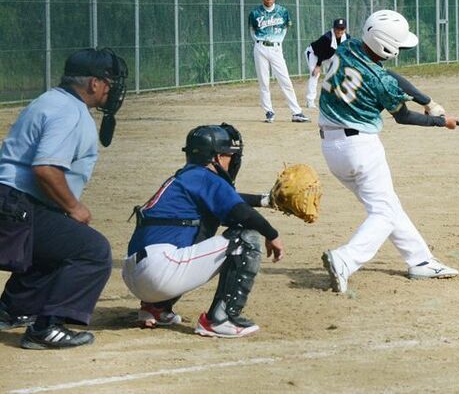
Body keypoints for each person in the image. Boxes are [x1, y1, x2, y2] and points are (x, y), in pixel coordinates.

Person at [318, 9, 459, 294]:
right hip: (360, 148)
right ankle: (345, 259)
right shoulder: (379, 83)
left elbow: (389, 74)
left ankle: (419, 260)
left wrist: (427, 100)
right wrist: (440, 122)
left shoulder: (348, 46)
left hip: (330, 147)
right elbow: (403, 116)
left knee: (387, 205)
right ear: (386, 46)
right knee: (383, 213)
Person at [0, 48, 128, 349]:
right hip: (17, 205)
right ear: (94, 84)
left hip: (12, 202)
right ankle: (48, 327)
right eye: (110, 82)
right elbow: (45, 168)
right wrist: (74, 206)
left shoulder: (50, 99)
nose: (113, 89)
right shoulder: (71, 112)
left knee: (59, 245)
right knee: (92, 250)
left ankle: (10, 310)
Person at [121, 123, 285, 338]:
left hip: (136, 272)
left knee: (204, 224)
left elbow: (227, 200)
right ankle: (220, 319)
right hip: (159, 272)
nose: (232, 160)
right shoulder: (205, 177)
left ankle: (156, 308)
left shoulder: (187, 177)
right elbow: (241, 212)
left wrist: (266, 201)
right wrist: (272, 235)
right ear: (215, 157)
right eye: (228, 155)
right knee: (245, 237)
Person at [248, 0, 309, 124]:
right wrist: (258, 41)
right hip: (260, 48)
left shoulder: (282, 11)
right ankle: (269, 111)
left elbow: (286, 27)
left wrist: (278, 41)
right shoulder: (255, 13)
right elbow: (252, 31)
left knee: (285, 80)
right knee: (264, 81)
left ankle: (296, 112)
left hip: (276, 48)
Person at [304, 17, 349, 109]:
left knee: (336, 74)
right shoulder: (327, 38)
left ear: (345, 29)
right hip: (314, 54)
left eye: (342, 28)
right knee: (315, 75)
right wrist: (318, 66)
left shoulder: (347, 38)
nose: (339, 31)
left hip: (329, 56)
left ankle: (334, 99)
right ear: (333, 28)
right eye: (337, 28)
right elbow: (320, 52)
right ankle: (310, 101)